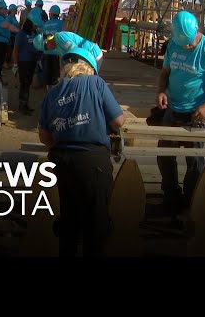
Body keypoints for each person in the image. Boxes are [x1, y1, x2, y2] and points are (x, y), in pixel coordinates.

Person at [38, 47, 125, 256]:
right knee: (95, 228)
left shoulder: (52, 94)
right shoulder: (96, 83)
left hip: (60, 163)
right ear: (90, 68)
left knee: (67, 226)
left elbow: (44, 137)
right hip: (92, 162)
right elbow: (118, 121)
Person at [153, 10, 205, 216]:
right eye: (183, 43)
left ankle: (190, 201)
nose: (187, 47)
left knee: (195, 161)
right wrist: (160, 91)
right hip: (173, 110)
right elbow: (165, 73)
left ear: (196, 31)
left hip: (196, 114)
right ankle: (171, 197)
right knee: (164, 155)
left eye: (190, 43)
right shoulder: (173, 44)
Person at [12, 11, 43, 115]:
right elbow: (15, 50)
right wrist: (15, 64)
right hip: (23, 62)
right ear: (30, 24)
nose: (36, 27)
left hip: (32, 62)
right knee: (24, 84)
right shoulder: (21, 34)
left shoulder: (34, 34)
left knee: (28, 83)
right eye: (35, 25)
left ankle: (26, 104)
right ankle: (22, 105)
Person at [34, 30, 103, 72]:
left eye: (46, 48)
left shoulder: (60, 37)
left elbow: (76, 52)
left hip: (93, 54)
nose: (49, 50)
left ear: (47, 41)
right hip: (87, 57)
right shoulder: (57, 46)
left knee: (88, 81)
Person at [0, 0, 20, 82]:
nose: (6, 10)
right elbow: (8, 26)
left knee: (0, 60)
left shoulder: (1, 17)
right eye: (5, 9)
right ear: (0, 9)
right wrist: (20, 32)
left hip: (1, 41)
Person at [39, 5, 63, 88]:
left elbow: (41, 35)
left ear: (51, 14)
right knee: (56, 73)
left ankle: (48, 88)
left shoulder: (46, 24)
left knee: (47, 72)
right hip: (57, 52)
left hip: (47, 51)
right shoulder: (62, 23)